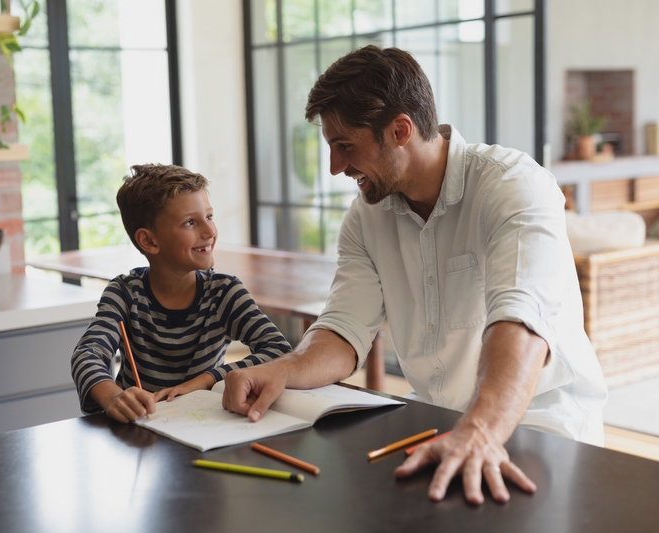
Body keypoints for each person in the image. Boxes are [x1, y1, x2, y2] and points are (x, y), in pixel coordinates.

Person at [222, 46, 607, 505]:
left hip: (544, 431)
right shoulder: (365, 218)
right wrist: (283, 369)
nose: (335, 167)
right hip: (442, 428)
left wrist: (480, 430)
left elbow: (521, 322)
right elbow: (344, 331)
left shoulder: (513, 185)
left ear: (400, 130)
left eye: (345, 145)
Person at [72, 163, 291, 423]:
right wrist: (112, 396)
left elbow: (279, 350)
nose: (210, 232)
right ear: (149, 241)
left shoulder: (223, 292)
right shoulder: (124, 293)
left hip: (206, 423)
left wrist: (205, 380)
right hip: (143, 426)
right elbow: (87, 353)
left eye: (209, 217)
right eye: (190, 222)